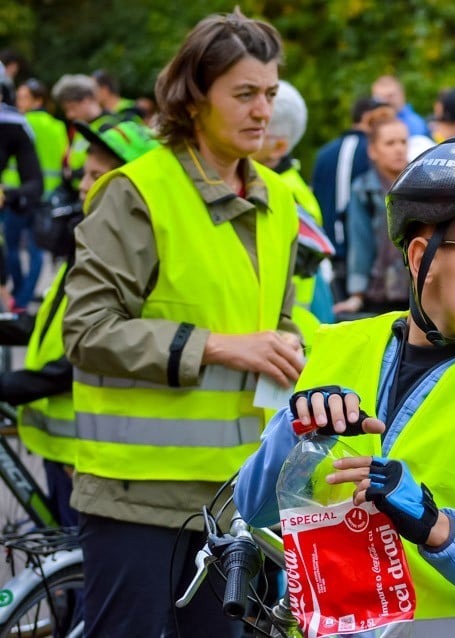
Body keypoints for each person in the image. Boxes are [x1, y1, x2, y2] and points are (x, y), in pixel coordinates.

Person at [235, 133, 455, 636]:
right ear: (423, 255)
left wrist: (436, 526)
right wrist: (296, 428)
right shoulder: (337, 346)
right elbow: (255, 508)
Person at [61, 9, 303, 636]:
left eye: (270, 95)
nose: (262, 111)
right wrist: (222, 348)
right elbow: (86, 332)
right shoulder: (136, 192)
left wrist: (289, 344)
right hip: (134, 496)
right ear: (194, 99)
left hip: (230, 500)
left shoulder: (280, 199)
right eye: (244, 94)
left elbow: (276, 321)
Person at [0, 120, 159, 528]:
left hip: (87, 446)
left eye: (96, 175)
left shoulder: (132, 255)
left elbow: (96, 349)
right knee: (64, 567)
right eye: (84, 173)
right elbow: (52, 325)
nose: (84, 185)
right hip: (60, 443)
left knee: (80, 572)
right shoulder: (92, 241)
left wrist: (14, 386)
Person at [251, 79, 334, 335]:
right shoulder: (278, 183)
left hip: (292, 327)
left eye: (257, 132)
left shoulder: (284, 193)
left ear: (279, 147)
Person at [311, 95, 394, 301]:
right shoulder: (369, 152)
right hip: (361, 262)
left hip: (325, 254)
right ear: (369, 119)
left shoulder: (324, 154)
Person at [334, 114, 410, 318]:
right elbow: (360, 243)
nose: (399, 148)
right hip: (378, 295)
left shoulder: (421, 183)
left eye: (403, 141)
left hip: (417, 295)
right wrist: (357, 295)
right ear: (373, 150)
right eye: (390, 143)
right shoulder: (363, 190)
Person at [0, 96, 43, 311]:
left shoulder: (15, 122)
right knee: (32, 251)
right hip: (29, 197)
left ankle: (18, 295)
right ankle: (21, 297)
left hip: (17, 199)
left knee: (16, 248)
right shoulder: (22, 121)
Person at [371, 74, 430, 138]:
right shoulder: (370, 123)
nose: (386, 101)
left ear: (402, 94)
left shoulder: (415, 123)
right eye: (380, 98)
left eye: (390, 96)